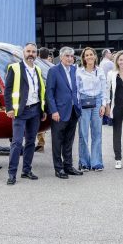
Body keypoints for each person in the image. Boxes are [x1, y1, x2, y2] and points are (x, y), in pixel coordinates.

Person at [4, 43, 47, 185]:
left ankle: (26, 170)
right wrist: (9, 108)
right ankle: (12, 173)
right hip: (20, 111)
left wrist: (43, 109)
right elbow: (8, 90)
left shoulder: (38, 70)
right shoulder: (15, 68)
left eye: (34, 52)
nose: (31, 54)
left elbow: (41, 91)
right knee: (16, 143)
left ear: (36, 54)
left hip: (35, 111)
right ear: (23, 52)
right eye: (28, 51)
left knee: (30, 142)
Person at [45, 46, 83, 179]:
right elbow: (49, 93)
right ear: (61, 57)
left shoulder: (74, 70)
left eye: (72, 56)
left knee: (69, 140)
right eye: (67, 56)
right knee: (57, 141)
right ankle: (58, 168)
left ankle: (68, 166)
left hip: (73, 111)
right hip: (59, 112)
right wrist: (53, 111)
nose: (70, 58)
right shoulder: (53, 71)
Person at [76, 47, 107, 172]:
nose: (89, 57)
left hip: (97, 101)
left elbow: (105, 89)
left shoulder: (100, 71)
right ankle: (84, 162)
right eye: (86, 55)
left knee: (97, 134)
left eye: (91, 54)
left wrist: (103, 105)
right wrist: (78, 104)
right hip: (84, 101)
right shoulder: (79, 72)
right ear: (84, 58)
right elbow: (77, 90)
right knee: (83, 134)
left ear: (95, 56)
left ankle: (96, 162)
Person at [34, 47, 52, 152]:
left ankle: (40, 143)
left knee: (39, 119)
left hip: (39, 96)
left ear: (39, 54)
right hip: (49, 96)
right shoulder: (51, 66)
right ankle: (41, 143)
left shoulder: (38, 65)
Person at [99, 48, 115, 126]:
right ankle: (110, 120)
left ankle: (104, 120)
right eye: (110, 53)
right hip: (109, 85)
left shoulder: (101, 63)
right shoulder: (109, 63)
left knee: (105, 101)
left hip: (103, 85)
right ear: (106, 54)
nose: (111, 54)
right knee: (110, 102)